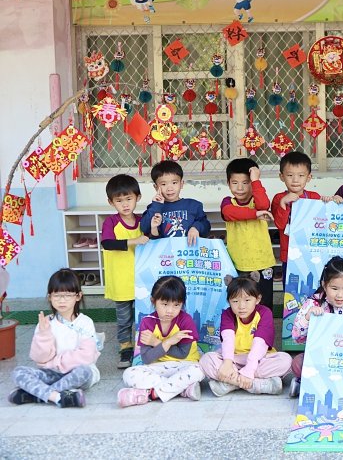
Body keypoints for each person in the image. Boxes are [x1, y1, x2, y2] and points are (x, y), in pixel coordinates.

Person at [7, 269, 101, 408]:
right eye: (57, 295)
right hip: (52, 374)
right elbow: (40, 359)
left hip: (76, 372)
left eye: (67, 295)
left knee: (84, 371)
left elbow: (86, 356)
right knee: (19, 372)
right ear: (50, 297)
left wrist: (56, 363)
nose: (62, 300)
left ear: (78, 296)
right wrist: (44, 334)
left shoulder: (85, 322)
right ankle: (57, 397)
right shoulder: (46, 323)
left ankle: (35, 395)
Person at [289, 256, 343, 397]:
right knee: (298, 363)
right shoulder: (314, 303)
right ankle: (303, 383)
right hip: (322, 359)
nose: (340, 295)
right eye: (334, 288)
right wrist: (307, 318)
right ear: (324, 285)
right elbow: (296, 337)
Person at [117, 276, 205, 407]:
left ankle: (150, 394)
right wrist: (168, 342)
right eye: (164, 304)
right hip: (157, 367)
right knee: (129, 374)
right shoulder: (147, 322)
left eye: (176, 305)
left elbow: (182, 354)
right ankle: (181, 389)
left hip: (185, 365)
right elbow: (146, 358)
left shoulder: (185, 320)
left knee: (200, 370)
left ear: (182, 304)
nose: (170, 310)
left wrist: (158, 343)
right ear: (154, 301)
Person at [199, 277, 292, 396]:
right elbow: (228, 339)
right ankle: (257, 385)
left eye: (247, 300)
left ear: (257, 299)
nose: (241, 306)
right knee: (206, 360)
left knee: (285, 360)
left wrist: (249, 369)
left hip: (259, 360)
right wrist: (227, 363)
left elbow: (260, 342)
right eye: (235, 301)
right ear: (229, 301)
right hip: (233, 359)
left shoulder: (265, 313)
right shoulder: (228, 314)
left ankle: (230, 383)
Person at [101, 174, 149, 369]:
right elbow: (107, 243)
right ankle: (125, 348)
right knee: (124, 319)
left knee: (142, 316)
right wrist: (133, 241)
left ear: (137, 197)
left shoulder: (143, 221)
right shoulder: (111, 222)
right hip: (121, 281)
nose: (125, 204)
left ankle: (142, 345)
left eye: (128, 199)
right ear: (111, 202)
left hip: (142, 282)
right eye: (119, 201)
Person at [221, 158, 277, 311]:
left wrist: (256, 180)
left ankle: (264, 334)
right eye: (235, 183)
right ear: (228, 183)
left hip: (262, 263)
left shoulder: (258, 202)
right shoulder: (227, 202)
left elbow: (264, 205)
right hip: (237, 264)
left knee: (264, 305)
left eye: (246, 183)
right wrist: (256, 214)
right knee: (240, 305)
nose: (240, 188)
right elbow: (230, 213)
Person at [271, 151, 322, 276]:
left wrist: (331, 200)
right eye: (290, 175)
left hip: (312, 252)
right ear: (281, 176)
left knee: (313, 287)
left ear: (309, 177)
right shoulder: (279, 198)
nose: (295, 180)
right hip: (289, 254)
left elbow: (322, 222)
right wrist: (284, 203)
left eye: (301, 175)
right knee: (290, 289)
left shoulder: (314, 197)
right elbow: (280, 225)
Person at [140, 160, 210, 245]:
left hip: (189, 253)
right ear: (156, 187)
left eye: (174, 183)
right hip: (165, 255)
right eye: (163, 184)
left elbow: (206, 226)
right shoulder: (154, 208)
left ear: (181, 184)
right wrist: (156, 206)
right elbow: (144, 228)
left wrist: (196, 228)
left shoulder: (193, 205)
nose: (170, 188)